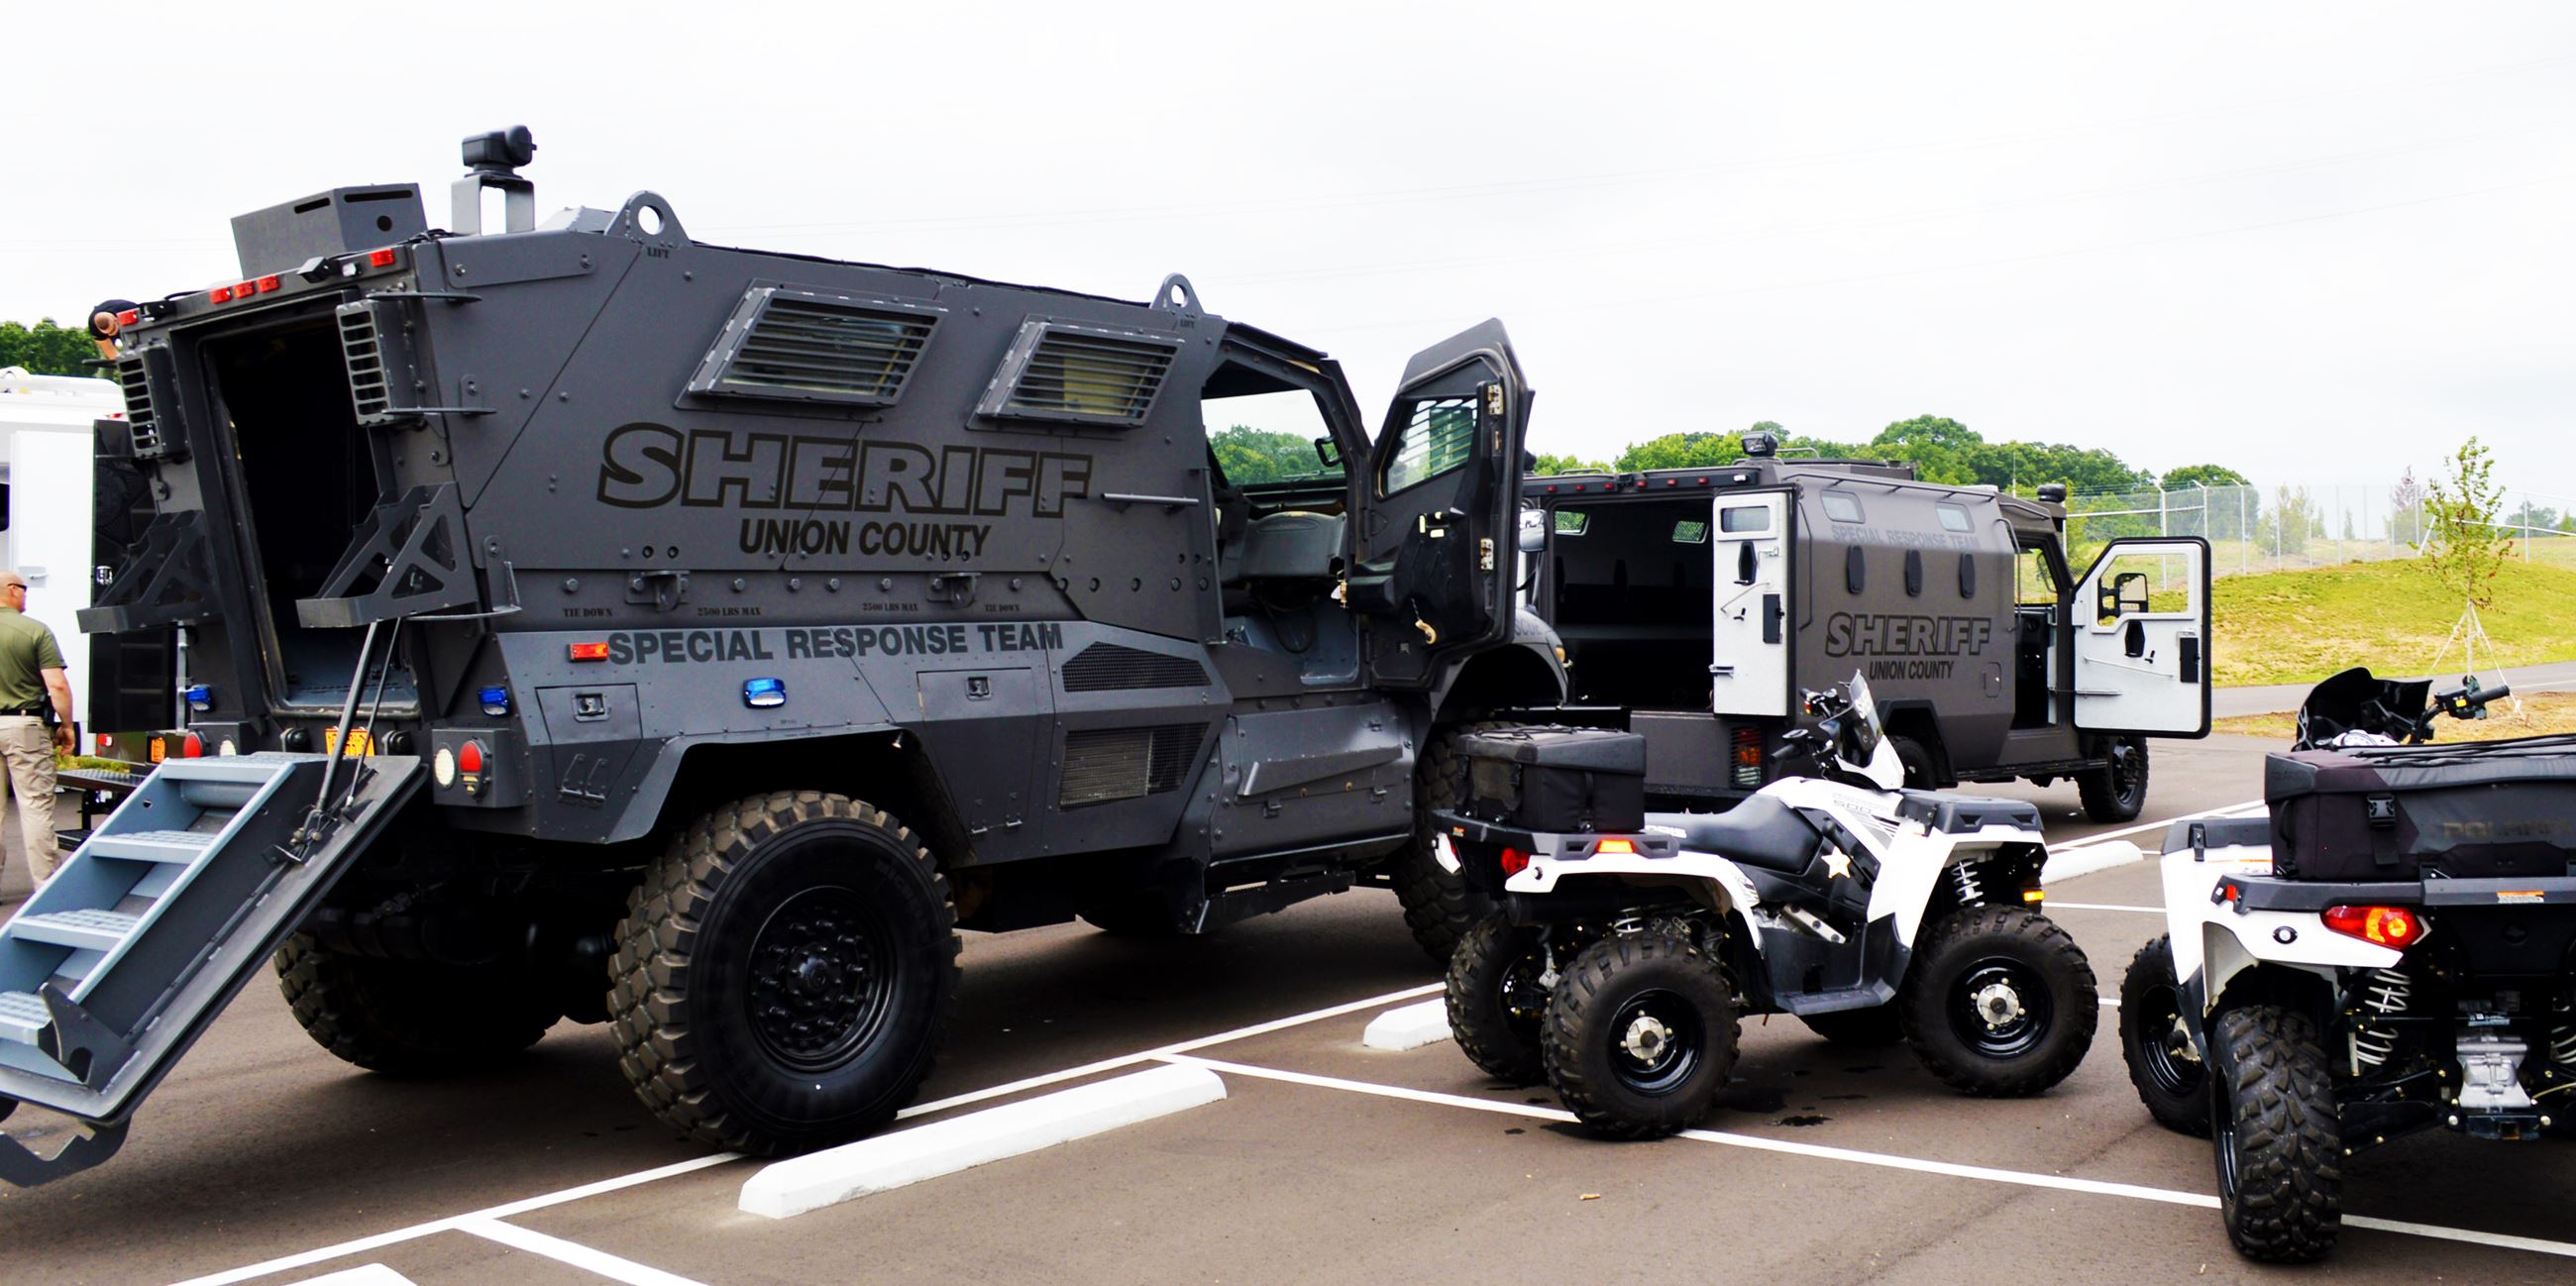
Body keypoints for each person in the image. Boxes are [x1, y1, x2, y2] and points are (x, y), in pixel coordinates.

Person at [0, 571, 74, 886]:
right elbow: (56, 686)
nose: (26, 595)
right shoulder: (35, 630)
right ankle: (46, 889)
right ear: (12, 590)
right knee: (34, 806)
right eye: (24, 589)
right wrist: (67, 726)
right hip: (25, 726)